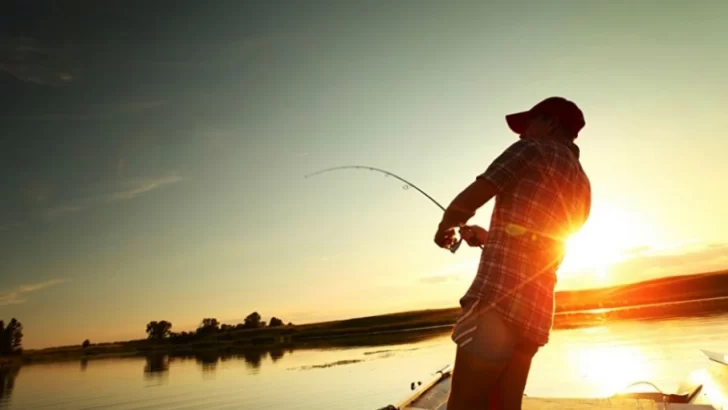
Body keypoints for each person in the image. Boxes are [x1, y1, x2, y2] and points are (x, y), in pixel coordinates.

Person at [434, 96, 592, 410]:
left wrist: (446, 225)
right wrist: (491, 238)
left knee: (464, 405)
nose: (521, 134)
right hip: (536, 310)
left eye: (529, 124)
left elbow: (473, 196)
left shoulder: (531, 149)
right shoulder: (583, 183)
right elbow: (544, 242)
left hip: (497, 301)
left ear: (550, 123)